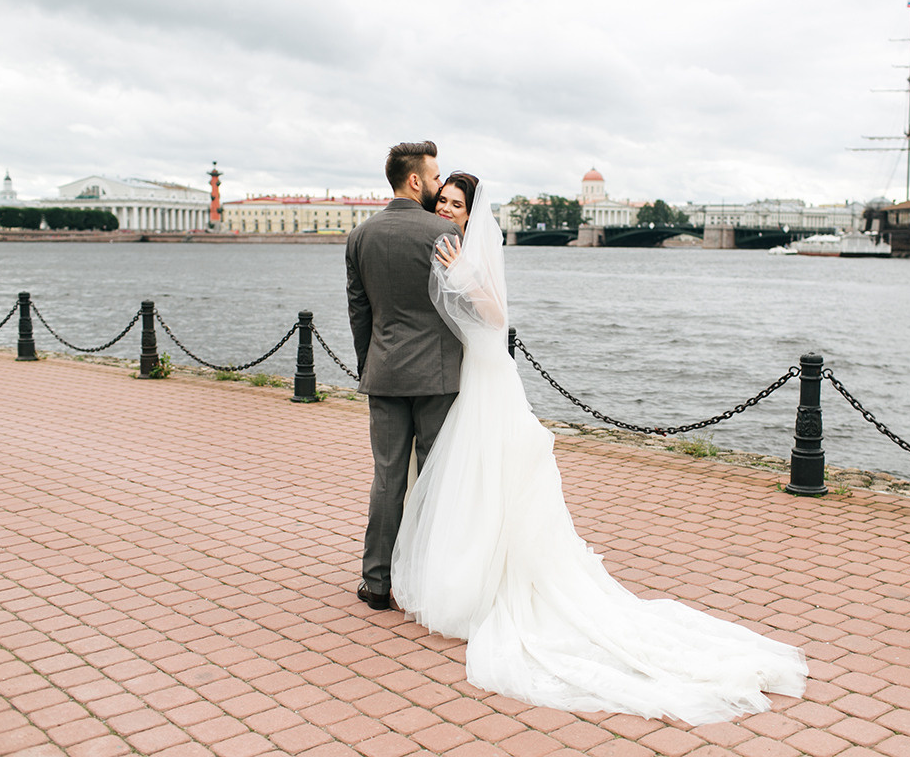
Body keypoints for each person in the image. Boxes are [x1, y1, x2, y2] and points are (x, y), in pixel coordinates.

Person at [391, 173, 808, 725]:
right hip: (472, 375)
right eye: (441, 201)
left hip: (490, 377)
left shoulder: (472, 253)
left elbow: (495, 316)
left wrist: (458, 275)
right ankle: (472, 569)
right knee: (477, 478)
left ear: (472, 212)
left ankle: (492, 580)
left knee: (496, 472)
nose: (446, 209)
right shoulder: (452, 245)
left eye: (455, 203)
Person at [346, 141, 462, 611]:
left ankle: (376, 582)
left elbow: (359, 311)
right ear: (415, 180)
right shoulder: (443, 233)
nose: (438, 186)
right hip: (437, 375)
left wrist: (369, 363)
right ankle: (427, 579)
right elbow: (460, 308)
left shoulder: (361, 235)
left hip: (385, 371)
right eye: (435, 178)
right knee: (434, 478)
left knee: (387, 478)